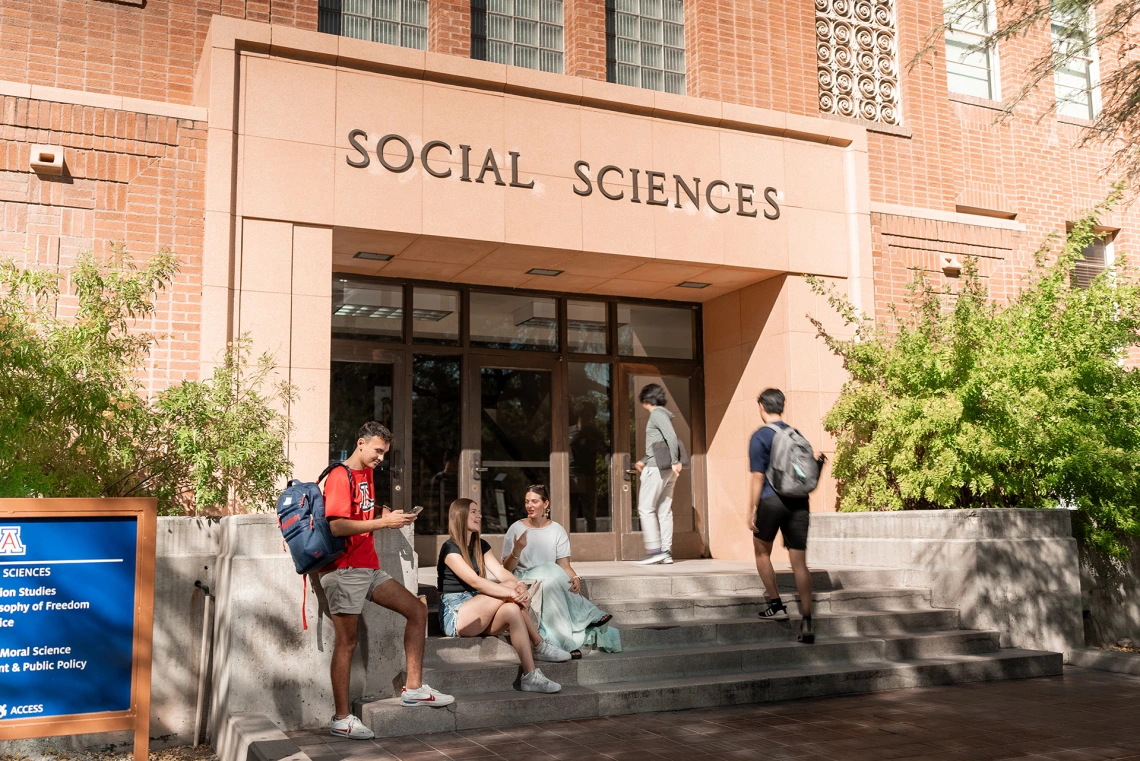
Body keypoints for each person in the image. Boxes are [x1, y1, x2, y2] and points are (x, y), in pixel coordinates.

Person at [320, 422, 454, 741]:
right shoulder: (341, 475)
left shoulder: (367, 475)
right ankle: (340, 719)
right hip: (343, 571)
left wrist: (389, 514)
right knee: (348, 643)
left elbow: (363, 513)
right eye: (378, 451)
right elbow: (337, 526)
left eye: (384, 453)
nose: (381, 458)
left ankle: (414, 688)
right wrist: (383, 522)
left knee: (417, 611)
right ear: (361, 443)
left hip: (368, 567)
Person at [437, 497, 572, 693]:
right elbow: (476, 582)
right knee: (508, 593)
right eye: (474, 511)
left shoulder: (480, 545)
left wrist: (519, 586)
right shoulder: (450, 548)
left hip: (478, 607)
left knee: (511, 608)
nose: (479, 515)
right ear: (460, 515)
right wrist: (511, 592)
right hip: (456, 613)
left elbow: (501, 573)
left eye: (478, 511)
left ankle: (530, 676)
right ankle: (539, 644)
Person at [501, 485, 619, 658]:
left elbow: (564, 565)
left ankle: (565, 643)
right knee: (550, 568)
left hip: (550, 581)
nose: (529, 505)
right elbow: (506, 568)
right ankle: (589, 614)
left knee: (552, 573)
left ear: (546, 504)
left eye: (534, 501)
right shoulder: (516, 528)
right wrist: (516, 550)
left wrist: (575, 577)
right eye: (527, 502)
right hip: (524, 580)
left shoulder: (557, 530)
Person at [749, 389, 815, 644]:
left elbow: (757, 476)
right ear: (782, 407)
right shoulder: (795, 434)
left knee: (761, 551)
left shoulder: (760, 436)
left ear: (762, 408)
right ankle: (807, 619)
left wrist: (751, 509)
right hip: (799, 501)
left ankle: (776, 605)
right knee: (799, 563)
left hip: (771, 499)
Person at [634, 383, 683, 565]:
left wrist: (675, 461)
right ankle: (665, 552)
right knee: (664, 511)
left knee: (646, 508)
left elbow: (670, 436)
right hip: (665, 468)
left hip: (659, 468)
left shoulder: (657, 414)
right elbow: (660, 442)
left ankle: (655, 551)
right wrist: (644, 460)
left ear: (647, 399)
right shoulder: (663, 414)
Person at [569, 402, 606, 532]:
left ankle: (591, 540)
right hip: (571, 475)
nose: (588, 418)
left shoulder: (595, 433)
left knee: (590, 514)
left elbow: (605, 451)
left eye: (591, 415)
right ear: (578, 415)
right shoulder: (568, 432)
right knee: (570, 514)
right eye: (585, 415)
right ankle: (569, 541)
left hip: (589, 475)